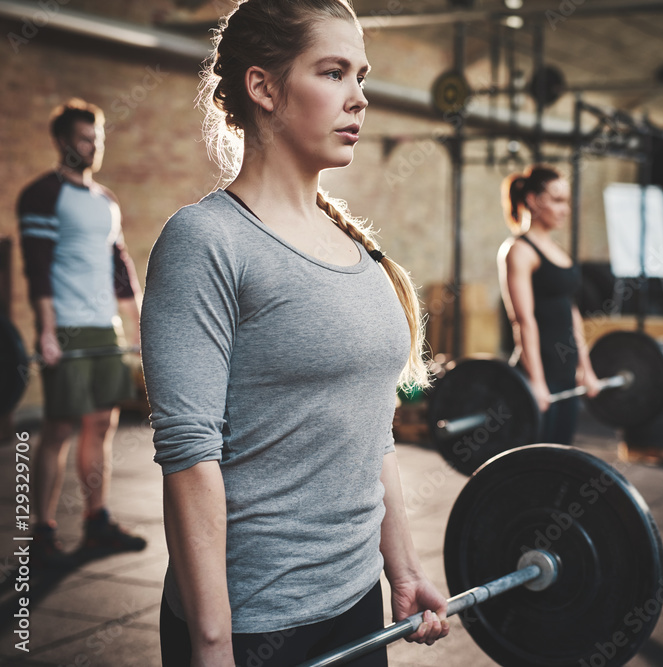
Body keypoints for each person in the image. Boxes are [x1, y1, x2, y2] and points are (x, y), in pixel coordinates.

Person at [140, 1, 448, 665]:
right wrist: (212, 642)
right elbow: (191, 459)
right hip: (251, 623)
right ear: (264, 87)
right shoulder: (206, 241)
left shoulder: (355, 247)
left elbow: (376, 433)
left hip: (357, 604)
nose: (359, 98)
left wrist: (403, 569)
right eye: (334, 72)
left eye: (361, 76)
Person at [17, 98, 147, 568]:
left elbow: (119, 268)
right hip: (66, 328)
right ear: (63, 142)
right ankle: (42, 530)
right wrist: (47, 332)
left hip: (103, 330)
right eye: (84, 139)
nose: (93, 147)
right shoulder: (42, 196)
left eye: (97, 139)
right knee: (59, 427)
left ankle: (96, 522)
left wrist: (135, 325)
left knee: (101, 424)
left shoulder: (105, 201)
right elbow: (36, 268)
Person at [497, 165, 602, 446]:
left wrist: (586, 369)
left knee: (559, 455)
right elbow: (523, 320)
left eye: (566, 200)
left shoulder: (558, 251)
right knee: (533, 459)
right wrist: (538, 382)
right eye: (556, 200)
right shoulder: (519, 250)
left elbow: (572, 314)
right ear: (532, 200)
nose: (564, 209)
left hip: (565, 371)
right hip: (538, 372)